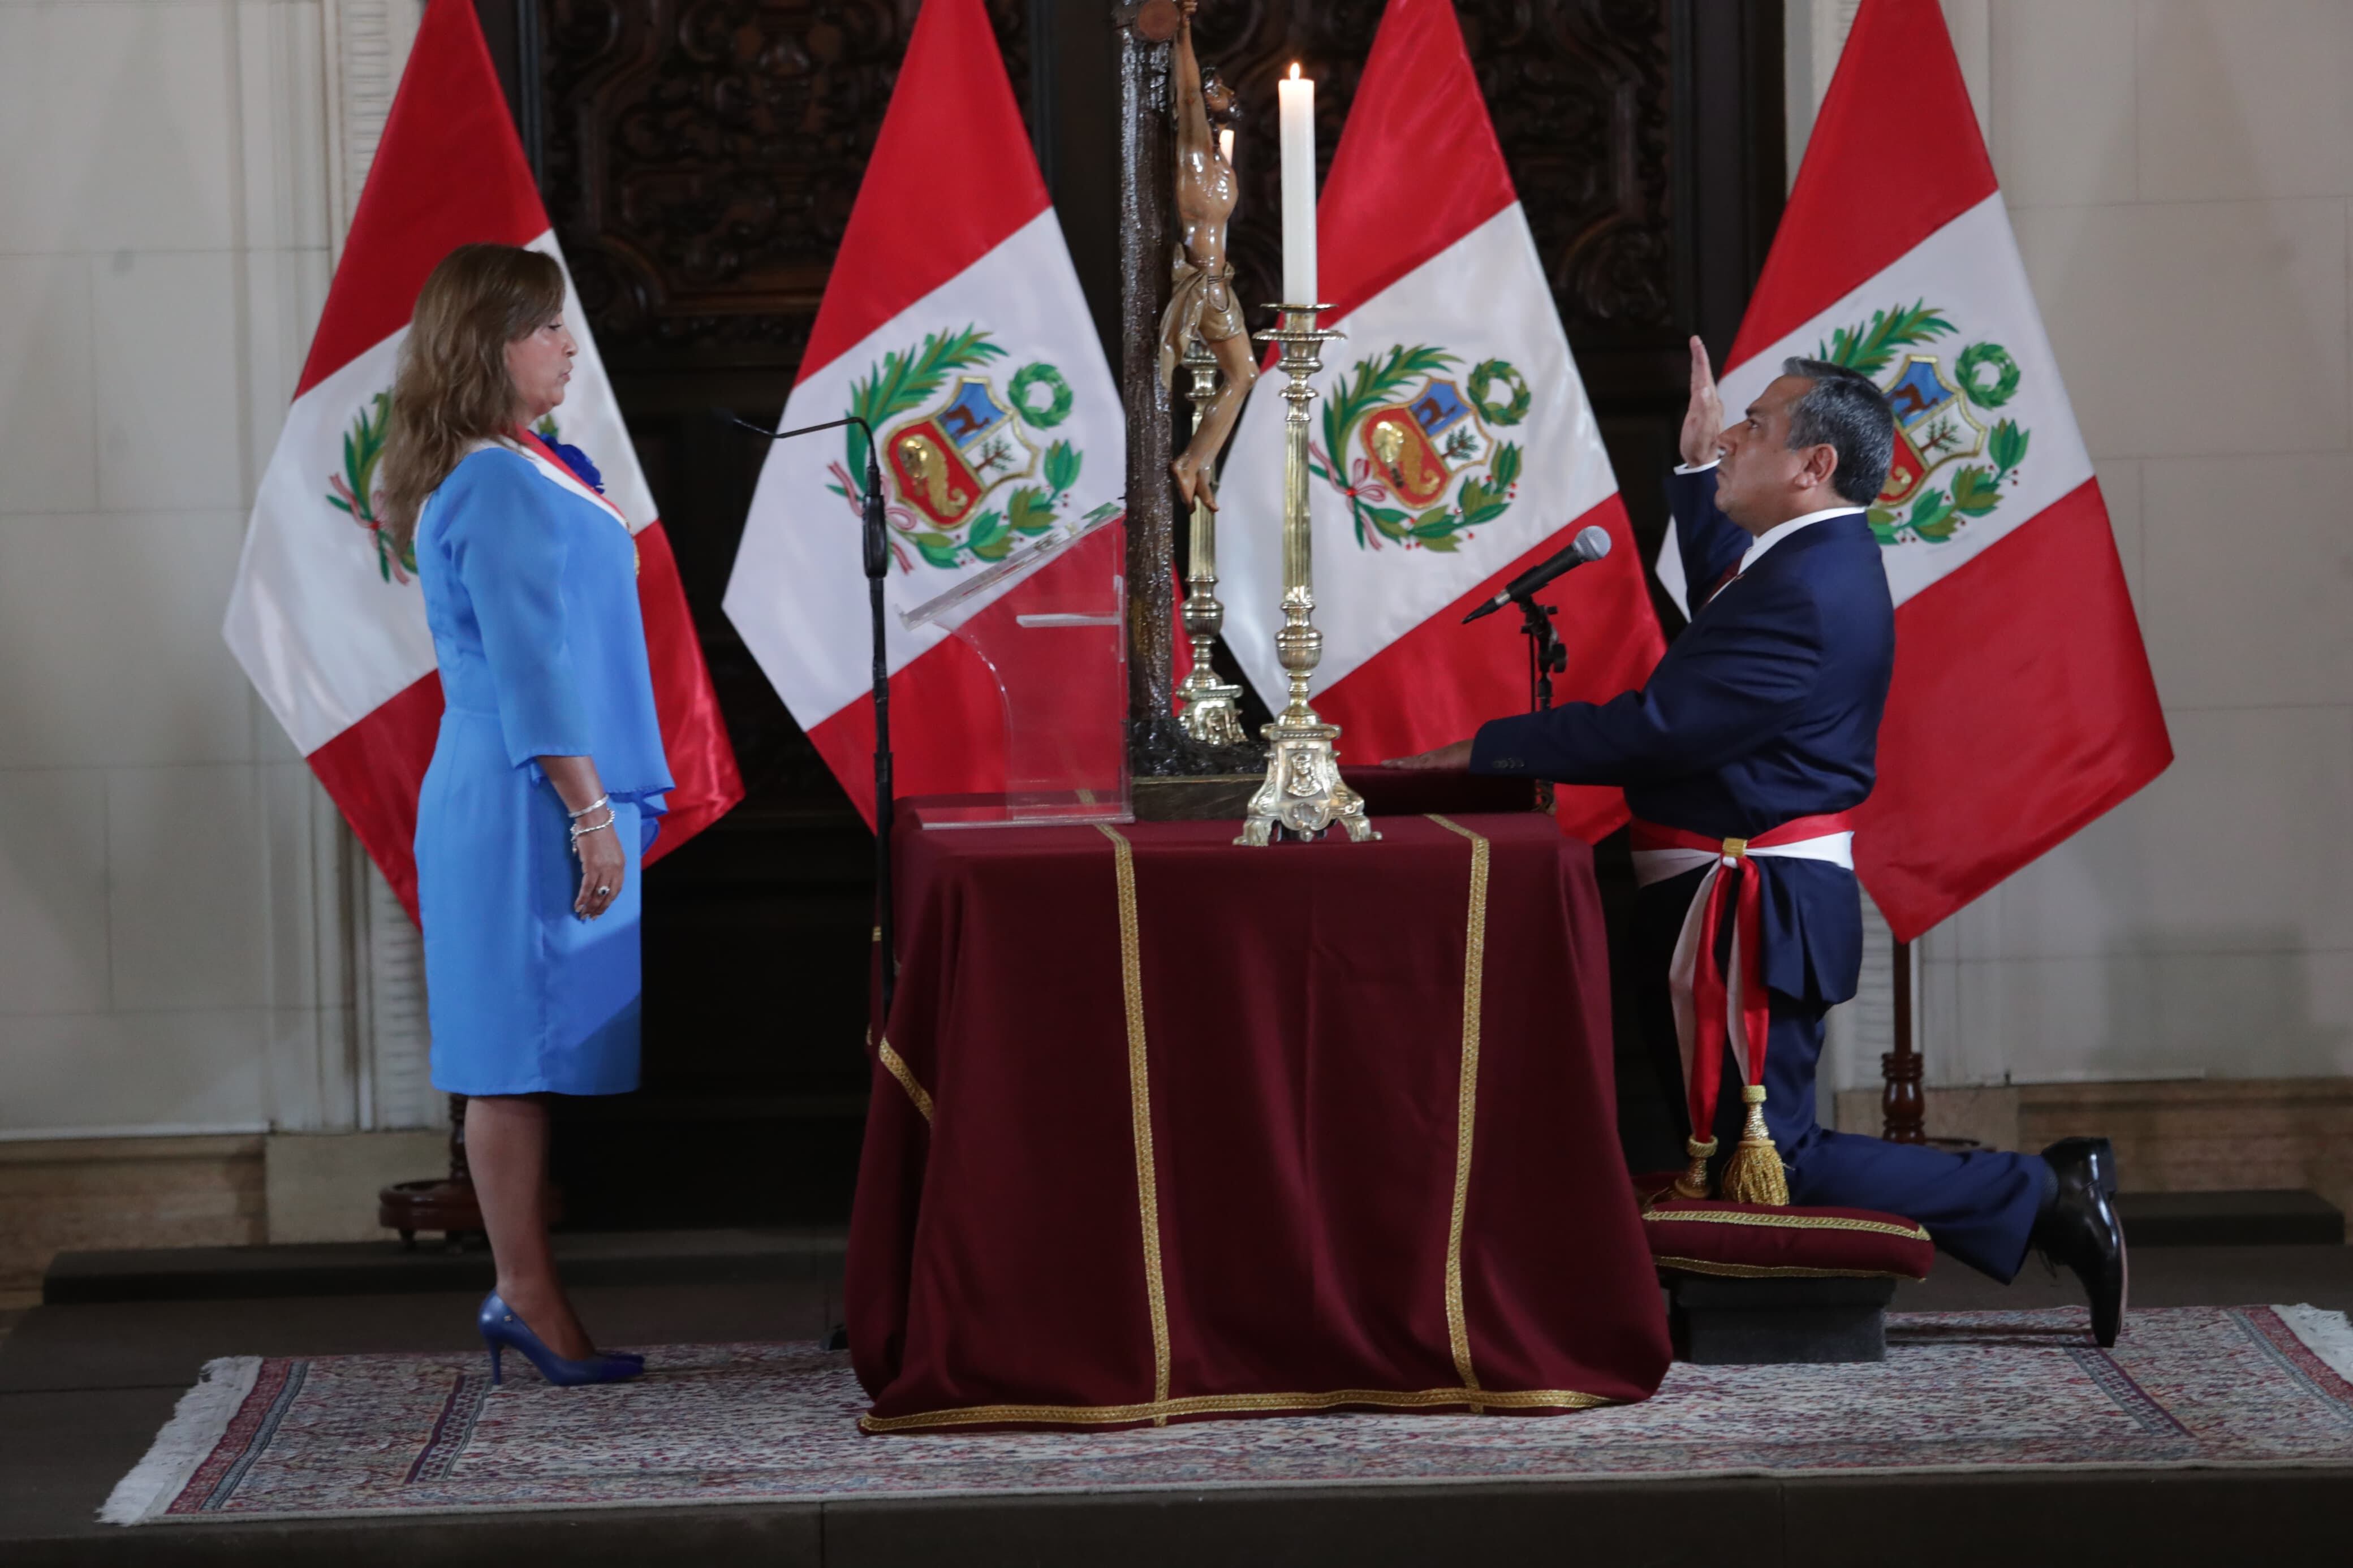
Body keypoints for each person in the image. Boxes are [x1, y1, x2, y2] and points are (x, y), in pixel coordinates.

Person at [1390, 339, 2127, 1344]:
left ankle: (2046, 1192)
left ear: (1813, 466)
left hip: (1752, 911)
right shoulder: (1801, 564)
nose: (1736, 430)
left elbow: (1664, 723)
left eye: (1758, 426)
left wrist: (1484, 749)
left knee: (1781, 1153)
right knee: (1733, 1144)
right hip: (1728, 904)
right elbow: (1724, 629)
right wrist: (1698, 471)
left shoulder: (1812, 590)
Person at [377, 244, 674, 1385]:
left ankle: (527, 1291)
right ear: (489, 343)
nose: (567, 346)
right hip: (525, 795)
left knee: (532, 1055)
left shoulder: (536, 461)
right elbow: (534, 663)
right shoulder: (497, 481)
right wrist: (590, 813)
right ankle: (524, 1294)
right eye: (547, 327)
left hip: (545, 785)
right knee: (508, 1058)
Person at [1160, 0, 1256, 511]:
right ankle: (1190, 462)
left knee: (1245, 376)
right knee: (1242, 375)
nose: (1229, 95)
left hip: (1222, 285)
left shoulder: (1221, 162)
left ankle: (1195, 462)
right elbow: (1190, 90)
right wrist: (1183, 29)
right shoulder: (1195, 156)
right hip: (1201, 287)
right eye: (1221, 89)